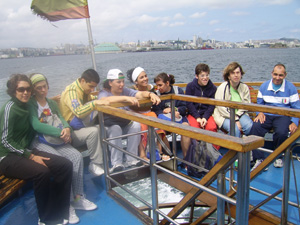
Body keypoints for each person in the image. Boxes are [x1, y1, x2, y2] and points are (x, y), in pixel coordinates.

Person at [0, 74, 73, 225]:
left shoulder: (28, 105)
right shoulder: (10, 109)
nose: (25, 92)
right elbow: (5, 140)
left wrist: (65, 125)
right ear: (14, 91)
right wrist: (31, 156)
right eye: (21, 89)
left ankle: (60, 210)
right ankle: (46, 218)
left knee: (65, 164)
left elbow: (43, 107)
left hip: (25, 151)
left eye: (28, 89)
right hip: (8, 156)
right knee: (42, 172)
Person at [28, 73, 97, 224]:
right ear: (33, 89)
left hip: (57, 141)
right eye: (38, 88)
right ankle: (66, 205)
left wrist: (66, 129)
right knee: (62, 162)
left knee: (76, 157)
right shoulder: (31, 105)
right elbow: (36, 125)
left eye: (44, 86)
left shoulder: (51, 104)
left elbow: (62, 118)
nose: (43, 90)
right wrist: (60, 132)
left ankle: (78, 197)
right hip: (40, 143)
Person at [98, 69, 161, 172]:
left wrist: (150, 94)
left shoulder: (125, 91)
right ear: (110, 83)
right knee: (115, 129)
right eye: (118, 82)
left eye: (123, 82)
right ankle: (116, 163)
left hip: (124, 122)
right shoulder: (104, 93)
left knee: (136, 125)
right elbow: (103, 101)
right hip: (110, 125)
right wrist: (125, 98)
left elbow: (139, 94)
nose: (121, 85)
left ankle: (131, 159)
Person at [59, 69, 109, 176]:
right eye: (90, 87)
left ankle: (106, 159)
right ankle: (95, 164)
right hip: (69, 132)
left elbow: (92, 98)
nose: (92, 90)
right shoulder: (72, 92)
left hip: (80, 126)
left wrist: (103, 97)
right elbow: (79, 112)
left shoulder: (84, 90)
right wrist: (96, 102)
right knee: (94, 132)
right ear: (82, 81)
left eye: (94, 87)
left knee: (103, 128)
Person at [250, 63, 300, 170]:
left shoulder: (290, 88)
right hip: (267, 114)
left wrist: (294, 122)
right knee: (256, 127)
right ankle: (259, 158)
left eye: (280, 75)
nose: (277, 78)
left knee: (282, 132)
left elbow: (296, 107)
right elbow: (259, 103)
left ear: (285, 75)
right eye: (275, 74)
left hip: (283, 115)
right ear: (272, 73)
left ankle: (278, 156)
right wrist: (260, 113)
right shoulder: (264, 86)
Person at [127, 67, 170, 161]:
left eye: (145, 76)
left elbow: (163, 87)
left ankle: (159, 152)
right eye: (141, 77)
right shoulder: (131, 91)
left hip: (149, 113)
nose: (145, 79)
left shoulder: (151, 88)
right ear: (136, 81)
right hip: (136, 114)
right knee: (141, 128)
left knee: (157, 124)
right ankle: (143, 155)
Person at [152, 72, 189, 155]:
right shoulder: (156, 95)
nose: (158, 88)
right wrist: (164, 111)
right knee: (159, 130)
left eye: (160, 85)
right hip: (165, 120)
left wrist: (175, 110)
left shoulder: (178, 90)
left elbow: (184, 107)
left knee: (186, 128)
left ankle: (187, 160)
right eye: (157, 85)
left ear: (167, 83)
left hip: (179, 117)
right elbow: (156, 111)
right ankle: (169, 155)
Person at [185, 63, 218, 156]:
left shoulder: (213, 88)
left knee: (212, 128)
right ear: (197, 76)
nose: (205, 78)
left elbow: (211, 105)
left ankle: (212, 155)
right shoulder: (190, 86)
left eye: (207, 75)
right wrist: (197, 117)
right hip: (193, 114)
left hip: (206, 114)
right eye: (202, 75)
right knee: (194, 130)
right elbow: (189, 103)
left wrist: (205, 118)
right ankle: (196, 156)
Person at [213, 62, 253, 137]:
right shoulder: (222, 87)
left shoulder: (244, 87)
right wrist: (235, 119)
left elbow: (246, 105)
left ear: (241, 74)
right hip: (224, 116)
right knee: (234, 129)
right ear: (229, 76)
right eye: (233, 73)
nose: (236, 75)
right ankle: (233, 148)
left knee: (250, 127)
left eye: (238, 72)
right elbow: (221, 108)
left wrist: (237, 117)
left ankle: (246, 147)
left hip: (240, 114)